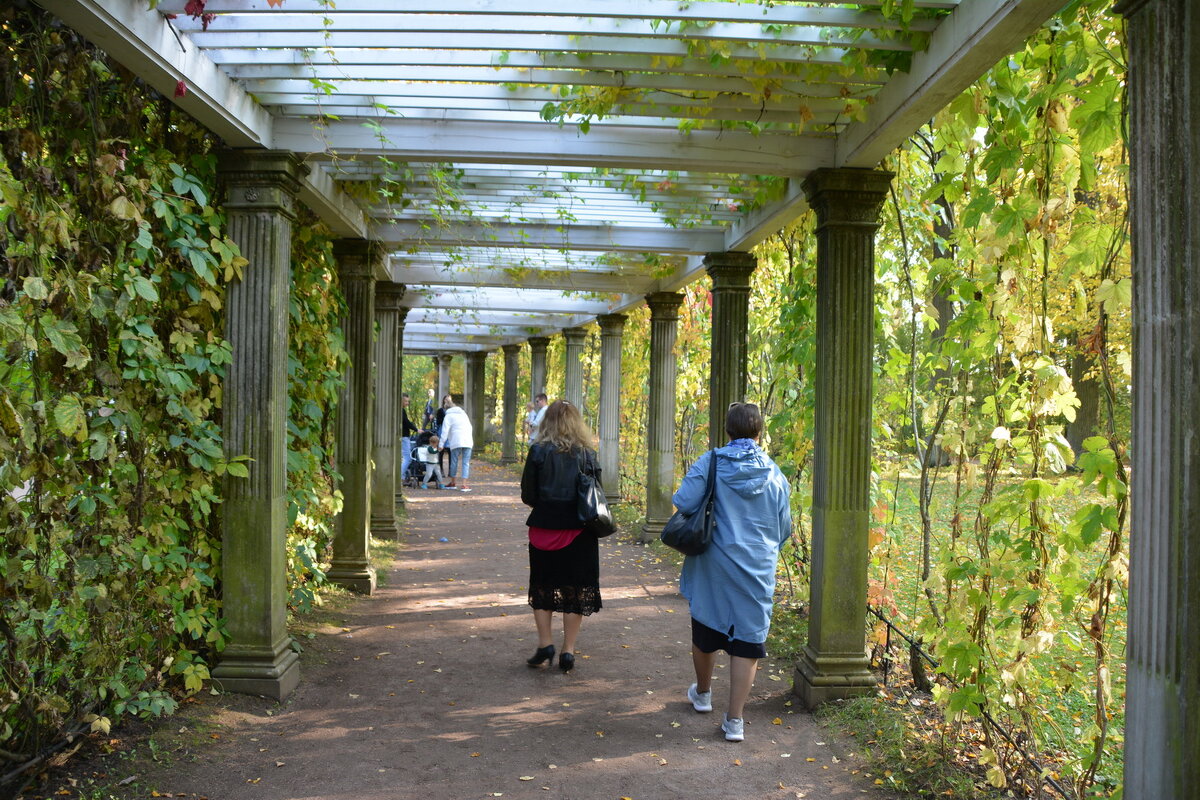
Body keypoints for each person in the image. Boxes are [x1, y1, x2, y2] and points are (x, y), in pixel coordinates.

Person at [672, 402, 791, 742]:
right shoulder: (774, 473)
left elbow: (683, 501)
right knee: (748, 641)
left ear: (727, 431)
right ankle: (735, 721)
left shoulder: (710, 462)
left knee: (706, 629)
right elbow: (783, 528)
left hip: (713, 564)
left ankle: (704, 694)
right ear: (759, 432)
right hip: (758, 567)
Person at [520, 400, 603, 673]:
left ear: (547, 422)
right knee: (575, 591)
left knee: (542, 586)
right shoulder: (587, 454)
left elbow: (528, 496)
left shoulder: (537, 452)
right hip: (579, 532)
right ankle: (568, 650)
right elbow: (598, 494)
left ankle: (545, 644)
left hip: (544, 529)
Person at [440, 395, 474, 492]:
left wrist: (441, 444)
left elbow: (445, 431)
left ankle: (453, 482)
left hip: (456, 440)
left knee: (454, 461)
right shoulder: (463, 413)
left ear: (446, 409)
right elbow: (470, 426)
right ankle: (464, 485)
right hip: (468, 440)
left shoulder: (448, 416)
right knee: (465, 462)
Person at [400, 393, 418, 481]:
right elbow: (406, 422)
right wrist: (416, 429)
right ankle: (400, 476)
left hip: (403, 436)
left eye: (408, 401)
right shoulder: (401, 411)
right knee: (408, 458)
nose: (407, 403)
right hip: (404, 436)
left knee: (404, 457)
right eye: (406, 401)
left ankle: (401, 476)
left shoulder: (401, 410)